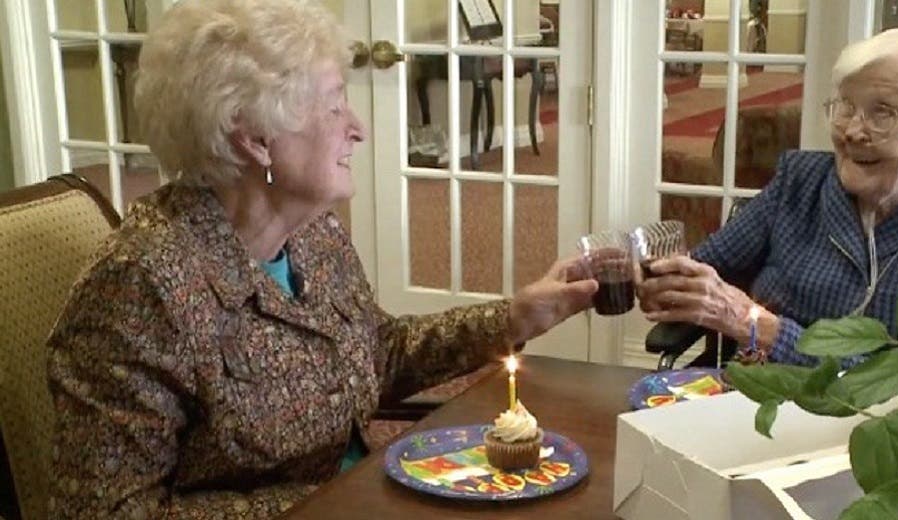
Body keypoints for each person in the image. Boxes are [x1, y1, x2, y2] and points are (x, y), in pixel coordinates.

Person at [45, 0, 598, 517]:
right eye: (335, 104)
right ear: (256, 139)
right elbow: (111, 512)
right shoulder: (139, 290)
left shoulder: (312, 233)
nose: (357, 127)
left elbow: (374, 355)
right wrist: (336, 500)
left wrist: (514, 318)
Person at [638, 28, 898, 367]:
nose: (853, 131)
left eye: (883, 113)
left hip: (870, 427)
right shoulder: (802, 181)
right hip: (746, 401)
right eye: (846, 106)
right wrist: (650, 277)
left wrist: (756, 325)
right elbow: (705, 269)